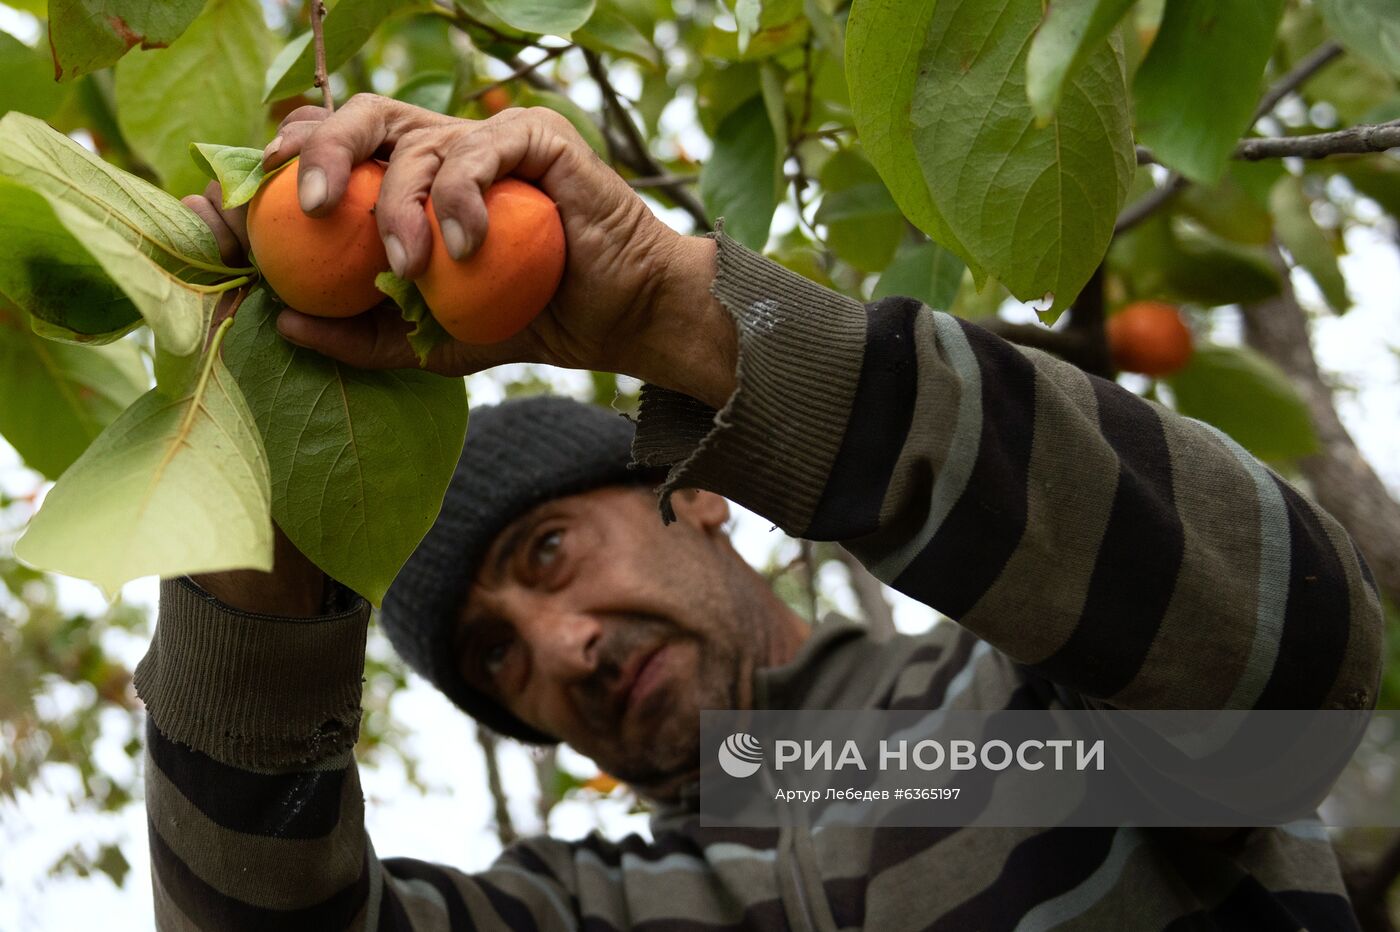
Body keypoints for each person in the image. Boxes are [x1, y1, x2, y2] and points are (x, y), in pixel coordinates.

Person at [145, 94, 1384, 930]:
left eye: (550, 549)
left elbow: (1289, 658)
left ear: (697, 497)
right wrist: (262, 497)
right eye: (494, 654)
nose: (563, 643)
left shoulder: (1029, 690)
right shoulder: (598, 904)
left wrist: (664, 308)